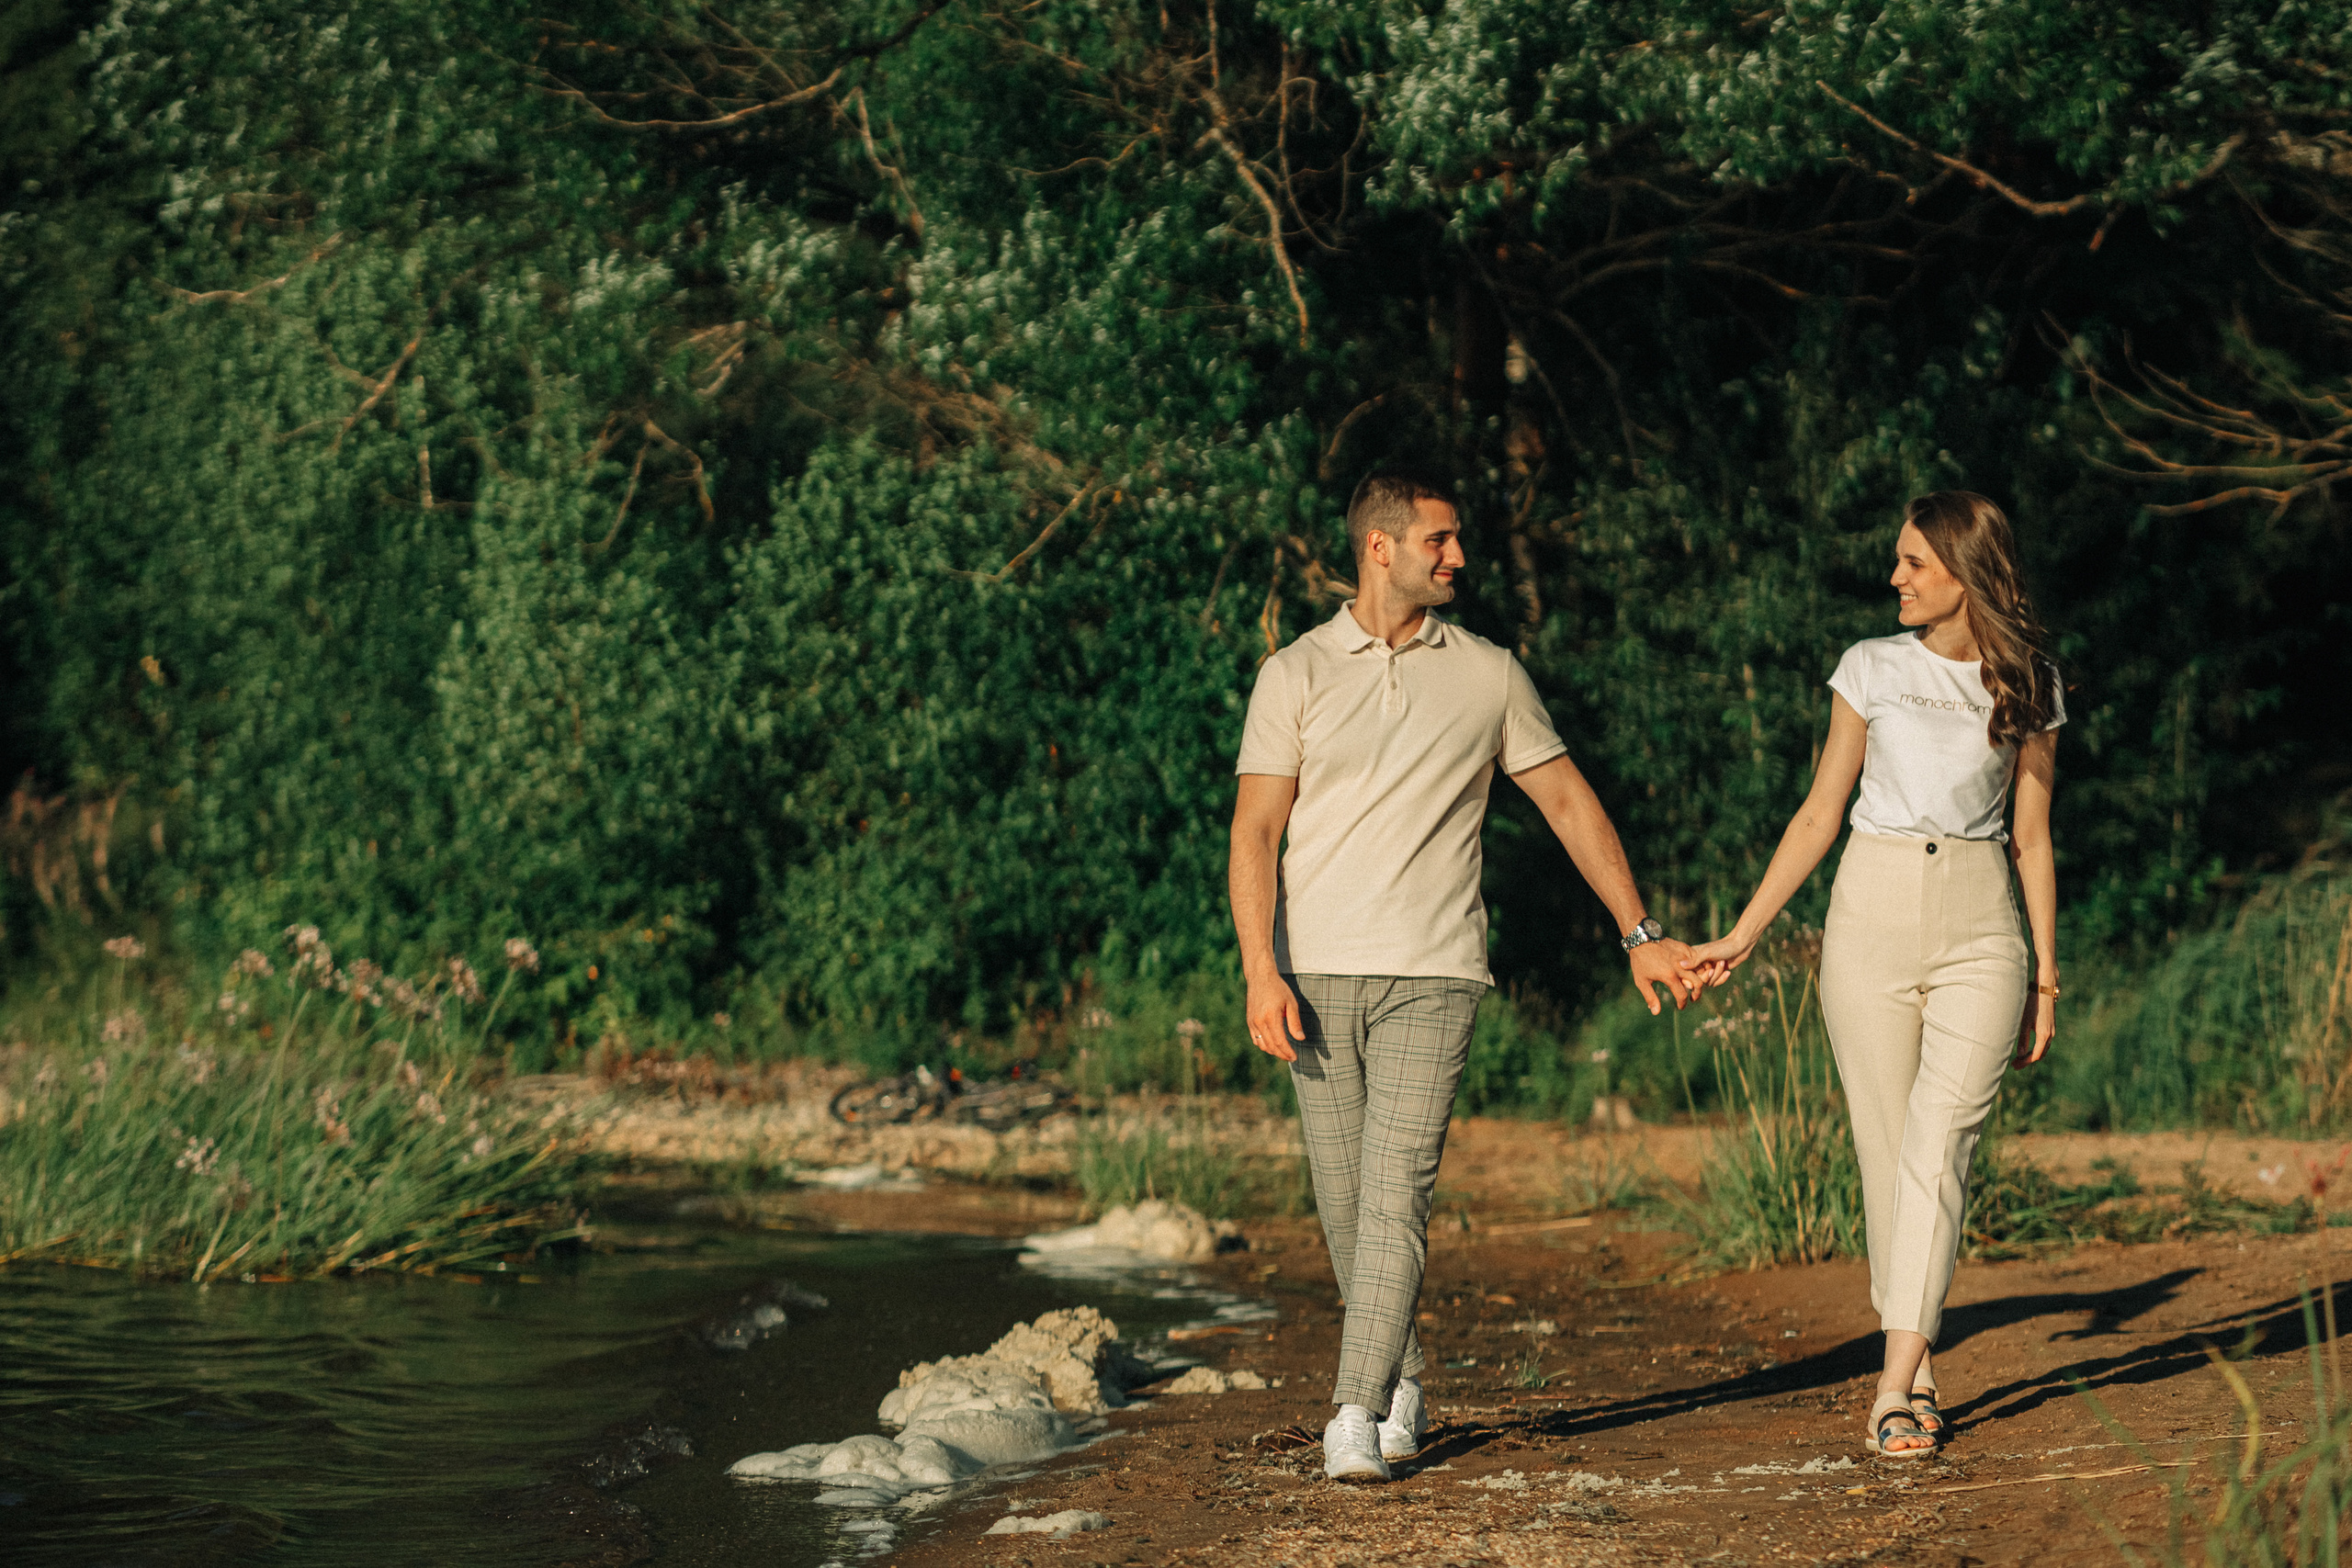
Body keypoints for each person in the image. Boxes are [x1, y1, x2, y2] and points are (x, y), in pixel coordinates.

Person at [1228, 470, 1699, 1484]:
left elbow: (1568, 803)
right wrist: (1260, 970)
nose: (1458, 558)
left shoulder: (1489, 674)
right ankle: (1401, 1377)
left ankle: (1352, 1413)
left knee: (1394, 1195)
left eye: (1456, 541)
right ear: (1379, 549)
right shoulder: (1294, 673)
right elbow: (1255, 829)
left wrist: (1640, 931)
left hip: (1435, 973)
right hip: (1311, 976)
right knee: (1343, 1203)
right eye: (1439, 541)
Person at [1682, 491, 2064, 1461]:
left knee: (1942, 1144)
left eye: (1912, 563)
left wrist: (2045, 977)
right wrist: (1743, 933)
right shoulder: (1869, 668)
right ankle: (1919, 1363)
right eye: (1895, 562)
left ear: (1964, 571)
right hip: (1871, 911)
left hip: (1982, 924)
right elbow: (1818, 813)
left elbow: (2031, 837)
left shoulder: (2030, 679)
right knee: (1889, 1148)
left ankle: (1892, 1386)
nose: (1893, 577)